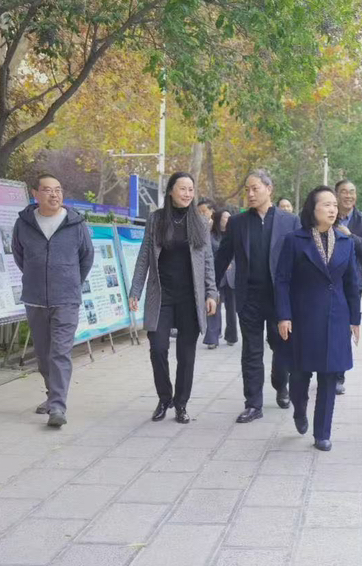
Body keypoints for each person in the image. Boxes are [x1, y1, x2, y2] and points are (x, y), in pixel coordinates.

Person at [275, 186, 361, 451]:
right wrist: (284, 315)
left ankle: (322, 433)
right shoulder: (295, 240)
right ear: (313, 209)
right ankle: (299, 409)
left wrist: (355, 319)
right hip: (303, 317)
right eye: (326, 204)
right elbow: (282, 280)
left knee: (329, 376)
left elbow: (352, 283)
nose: (333, 209)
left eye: (334, 205)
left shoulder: (345, 242)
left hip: (336, 318)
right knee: (300, 375)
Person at [129, 173, 218, 424]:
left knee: (186, 356)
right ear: (170, 191)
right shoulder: (156, 219)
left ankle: (181, 404)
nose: (187, 194)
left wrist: (211, 293)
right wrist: (135, 290)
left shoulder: (200, 221)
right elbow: (144, 256)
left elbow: (207, 261)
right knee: (158, 348)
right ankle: (164, 398)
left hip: (190, 298)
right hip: (162, 296)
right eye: (182, 189)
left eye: (191, 189)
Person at [215, 170, 301, 423]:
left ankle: (281, 384)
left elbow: (300, 260)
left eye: (255, 188)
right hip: (249, 297)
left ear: (269, 189)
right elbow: (222, 257)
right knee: (251, 351)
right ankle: (253, 404)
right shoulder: (238, 223)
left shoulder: (290, 221)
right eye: (247, 190)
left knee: (281, 347)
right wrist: (210, 288)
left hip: (279, 299)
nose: (250, 194)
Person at [12, 173, 94, 427]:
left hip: (66, 299)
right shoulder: (24, 224)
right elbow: (19, 255)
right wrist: (36, 277)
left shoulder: (75, 223)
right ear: (35, 194)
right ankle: (51, 396)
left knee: (60, 352)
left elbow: (86, 257)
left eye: (58, 189)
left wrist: (70, 281)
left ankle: (58, 406)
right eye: (48, 190)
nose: (54, 194)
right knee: (44, 354)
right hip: (35, 299)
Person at [333, 179, 362, 394]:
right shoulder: (327, 215)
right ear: (336, 194)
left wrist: (350, 236)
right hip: (327, 281)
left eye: (352, 192)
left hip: (352, 283)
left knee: (345, 328)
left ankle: (338, 376)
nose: (348, 196)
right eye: (344, 192)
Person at [204, 207, 238, 349]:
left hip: (231, 277)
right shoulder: (210, 236)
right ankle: (212, 338)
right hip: (216, 276)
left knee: (232, 309)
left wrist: (231, 263)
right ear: (218, 219)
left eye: (230, 217)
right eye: (225, 217)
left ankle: (231, 336)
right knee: (214, 307)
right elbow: (207, 255)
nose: (228, 219)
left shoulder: (235, 235)